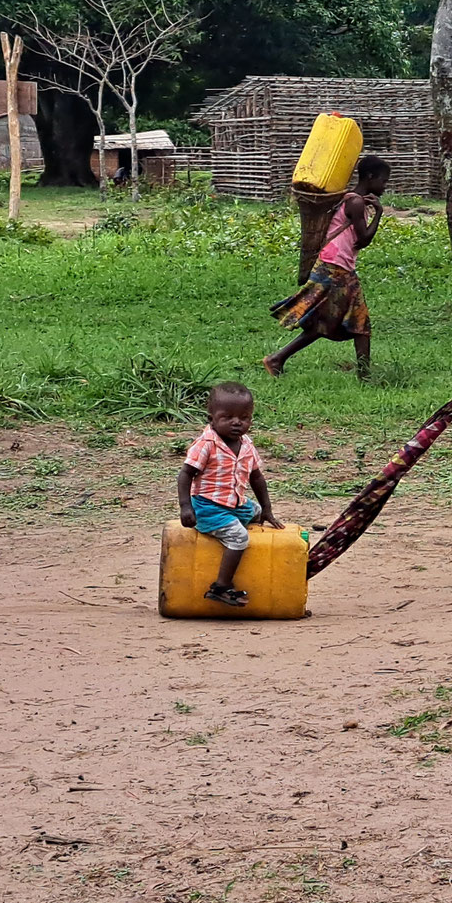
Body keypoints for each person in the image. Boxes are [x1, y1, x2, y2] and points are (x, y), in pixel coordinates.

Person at [267, 155, 391, 381]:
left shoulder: (349, 199)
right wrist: (379, 214)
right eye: (383, 181)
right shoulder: (355, 202)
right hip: (335, 269)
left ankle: (278, 359)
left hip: (336, 267)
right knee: (354, 323)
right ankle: (364, 377)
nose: (385, 186)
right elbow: (363, 240)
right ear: (370, 177)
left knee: (340, 323)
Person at [177, 381, 278, 607]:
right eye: (227, 417)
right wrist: (186, 507)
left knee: (257, 511)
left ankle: (245, 520)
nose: (237, 422)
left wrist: (268, 510)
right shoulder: (206, 445)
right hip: (208, 507)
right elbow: (185, 475)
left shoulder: (247, 444)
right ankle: (221, 586)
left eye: (244, 417)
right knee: (239, 537)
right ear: (211, 417)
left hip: (235, 503)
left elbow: (257, 478)